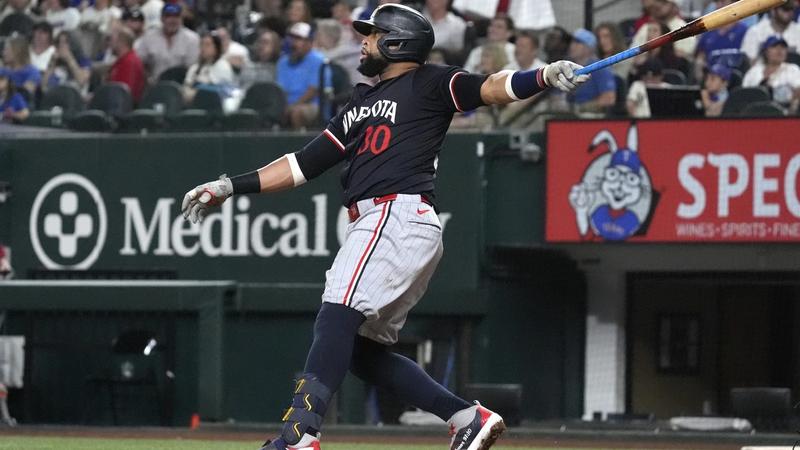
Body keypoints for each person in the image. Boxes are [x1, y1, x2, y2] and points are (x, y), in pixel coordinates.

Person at [180, 4, 588, 450]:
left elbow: (491, 87)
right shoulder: (360, 102)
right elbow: (303, 164)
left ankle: (300, 434)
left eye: (372, 35)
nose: (363, 41)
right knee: (360, 353)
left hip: (395, 214)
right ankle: (467, 417)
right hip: (388, 223)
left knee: (335, 314)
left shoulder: (429, 81)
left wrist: (544, 75)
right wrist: (228, 186)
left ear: (397, 41)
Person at [276, 21, 330, 129]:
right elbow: (280, 90)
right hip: (287, 104)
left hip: (314, 104)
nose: (293, 43)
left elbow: (313, 91)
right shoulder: (283, 62)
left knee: (297, 113)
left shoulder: (319, 60)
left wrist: (293, 106)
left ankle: (298, 145)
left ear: (309, 42)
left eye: (298, 39)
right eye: (292, 38)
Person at [135, 3, 200, 83]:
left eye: (176, 16)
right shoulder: (149, 36)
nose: (172, 20)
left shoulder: (192, 38)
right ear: (161, 18)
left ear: (181, 19)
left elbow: (192, 67)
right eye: (168, 16)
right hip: (154, 85)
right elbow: (139, 61)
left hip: (182, 86)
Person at [743, 36, 800, 112]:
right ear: (766, 51)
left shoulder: (792, 69)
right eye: (774, 47)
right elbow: (743, 94)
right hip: (754, 112)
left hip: (784, 111)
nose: (779, 51)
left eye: (783, 47)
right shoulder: (754, 71)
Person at [568, 28, 616, 114]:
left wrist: (583, 108)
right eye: (572, 42)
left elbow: (609, 98)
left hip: (592, 116)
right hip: (567, 113)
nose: (572, 46)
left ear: (588, 48)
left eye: (577, 43)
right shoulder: (567, 66)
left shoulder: (600, 68)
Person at [631, 0, 697, 58]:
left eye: (664, 3)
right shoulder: (646, 27)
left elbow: (685, 57)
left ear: (674, 6)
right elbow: (632, 54)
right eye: (657, 1)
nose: (658, 5)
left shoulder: (684, 28)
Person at [183, 31, 235, 103]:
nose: (203, 48)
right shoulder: (194, 67)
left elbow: (223, 91)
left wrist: (199, 89)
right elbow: (187, 87)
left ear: (217, 47)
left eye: (207, 45)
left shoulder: (223, 66)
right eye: (201, 44)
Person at [107, 26, 145, 103]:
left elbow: (124, 94)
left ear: (121, 43)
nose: (109, 44)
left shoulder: (130, 62)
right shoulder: (122, 61)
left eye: (112, 40)